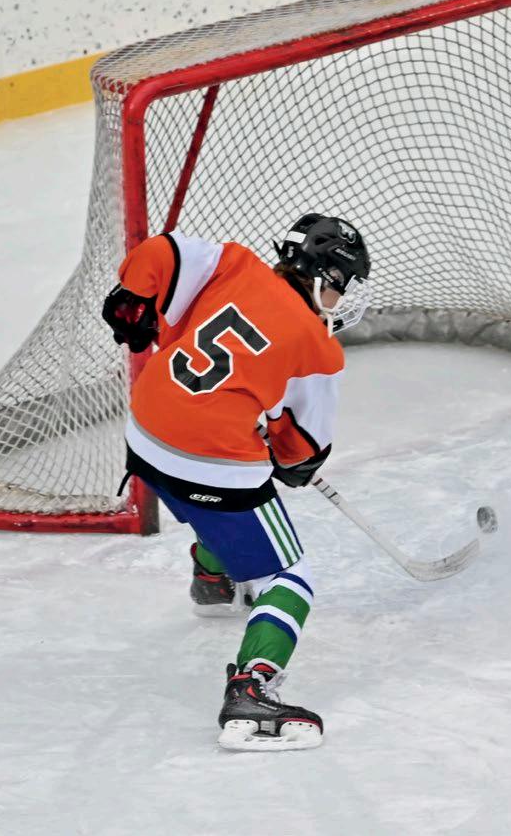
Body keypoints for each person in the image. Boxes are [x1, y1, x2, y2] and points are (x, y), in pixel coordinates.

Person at [101, 213, 371, 751]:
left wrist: (131, 298)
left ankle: (213, 578)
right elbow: (302, 452)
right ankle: (252, 687)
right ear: (327, 278)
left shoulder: (233, 264)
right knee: (288, 574)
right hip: (210, 465)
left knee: (211, 499)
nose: (342, 299)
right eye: (343, 286)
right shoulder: (318, 348)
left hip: (144, 436)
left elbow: (161, 252)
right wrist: (288, 454)